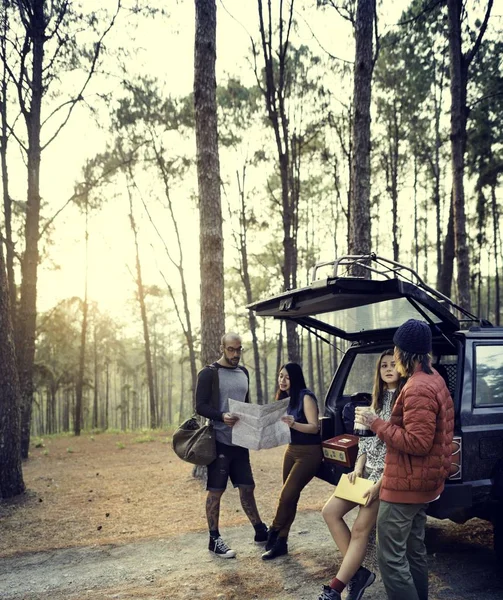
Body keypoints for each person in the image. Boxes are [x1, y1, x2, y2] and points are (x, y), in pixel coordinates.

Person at [357, 319, 455, 600]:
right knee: (414, 552)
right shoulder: (433, 378)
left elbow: (418, 443)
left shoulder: (418, 387)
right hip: (421, 483)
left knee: (390, 558)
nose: (394, 356)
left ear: (403, 353)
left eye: (396, 350)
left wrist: (376, 424)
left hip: (406, 487)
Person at [317, 349, 403, 600]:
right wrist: (356, 468)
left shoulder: (404, 401)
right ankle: (359, 574)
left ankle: (335, 588)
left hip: (384, 477)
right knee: (329, 512)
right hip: (364, 473)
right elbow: (364, 442)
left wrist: (379, 484)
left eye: (393, 364)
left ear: (401, 368)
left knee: (359, 530)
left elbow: (399, 447)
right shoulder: (373, 402)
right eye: (384, 365)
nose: (388, 369)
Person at [195, 332, 268, 558]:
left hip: (240, 441)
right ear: (222, 348)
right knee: (216, 491)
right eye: (231, 350)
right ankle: (214, 539)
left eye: (239, 349)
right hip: (219, 442)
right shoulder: (209, 373)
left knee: (247, 487)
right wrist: (220, 416)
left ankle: (260, 530)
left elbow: (244, 404)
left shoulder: (243, 372)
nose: (235, 354)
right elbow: (200, 406)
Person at [262, 362, 323, 560]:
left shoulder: (306, 396)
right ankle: (282, 543)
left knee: (286, 496)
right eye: (280, 376)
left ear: (295, 378)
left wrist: (294, 423)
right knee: (291, 498)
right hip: (291, 451)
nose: (282, 380)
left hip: (309, 453)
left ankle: (273, 530)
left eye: (287, 377)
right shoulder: (284, 400)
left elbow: (314, 427)